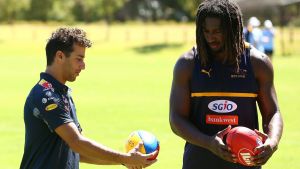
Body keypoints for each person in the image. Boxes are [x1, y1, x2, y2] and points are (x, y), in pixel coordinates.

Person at [20, 27, 157, 169]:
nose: (83, 66)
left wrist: (125, 161)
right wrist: (125, 158)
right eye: (79, 59)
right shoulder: (46, 95)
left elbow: (79, 152)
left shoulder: (63, 94)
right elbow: (77, 142)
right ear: (60, 56)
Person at [169, 0, 283, 169]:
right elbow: (176, 119)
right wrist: (209, 143)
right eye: (205, 31)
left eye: (217, 31)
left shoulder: (258, 63)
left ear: (233, 29)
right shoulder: (188, 64)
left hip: (245, 162)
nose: (210, 37)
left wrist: (272, 141)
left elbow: (272, 112)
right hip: (199, 163)